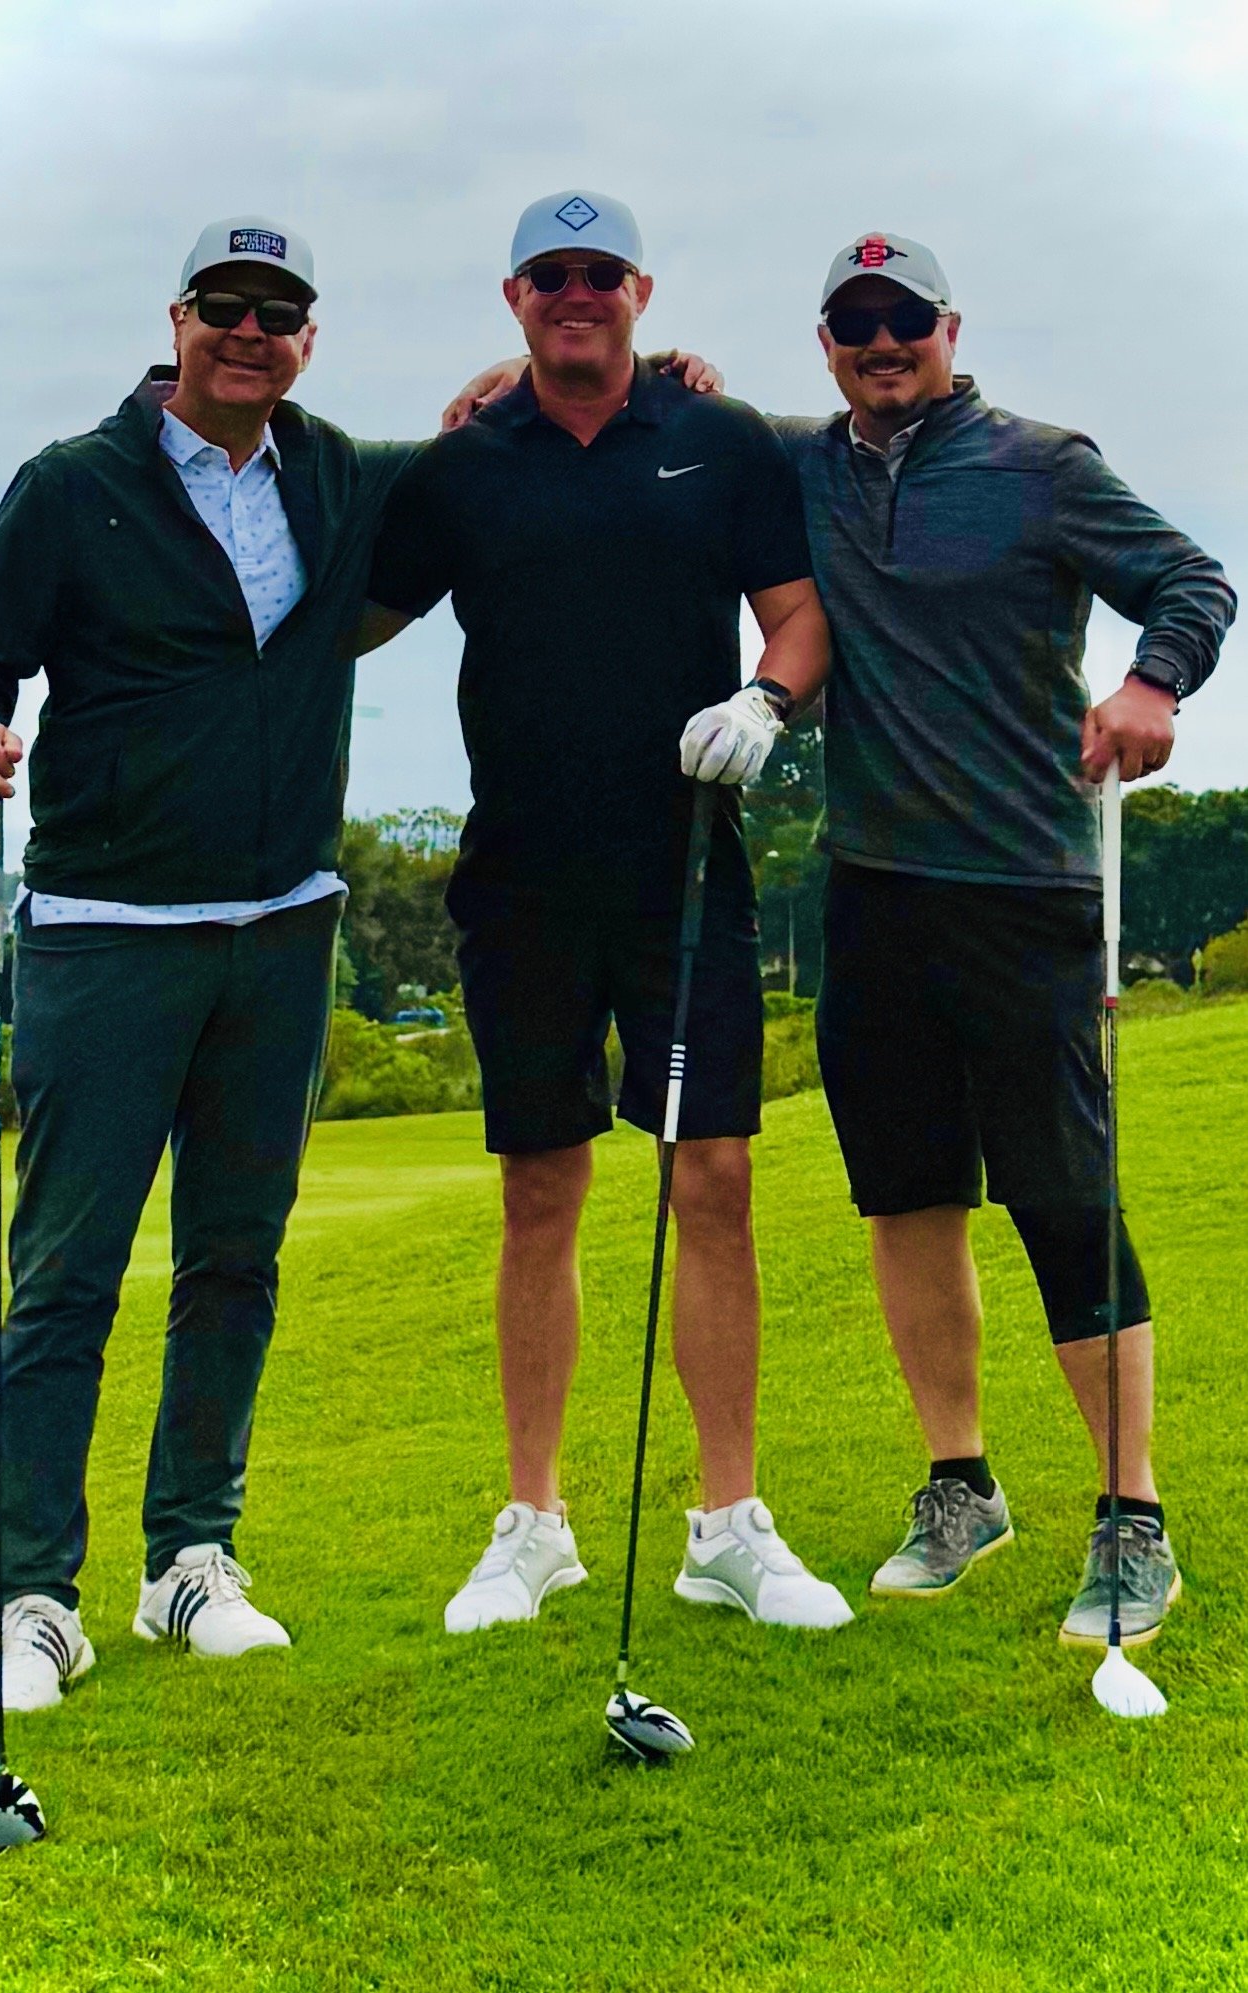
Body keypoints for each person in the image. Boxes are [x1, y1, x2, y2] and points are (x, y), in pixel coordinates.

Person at [672, 233, 1234, 1646]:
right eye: (856, 324)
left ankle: (1133, 1520)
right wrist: (620, 374)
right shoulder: (806, 461)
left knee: (1063, 1200)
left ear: (947, 325)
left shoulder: (1042, 463)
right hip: (875, 892)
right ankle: (960, 1483)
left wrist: (1152, 686)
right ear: (828, 342)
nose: (882, 342)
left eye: (903, 319)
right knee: (908, 1197)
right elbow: (663, 405)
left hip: (1029, 888)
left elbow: (1193, 582)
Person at [0, 216, 417, 1715]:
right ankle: (35, 1599)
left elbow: (488, 441)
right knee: (65, 1276)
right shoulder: (77, 487)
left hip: (283, 929)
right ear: (181, 319)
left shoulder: (333, 471)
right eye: (227, 306)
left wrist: (656, 373)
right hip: (107, 934)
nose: (250, 333)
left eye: (279, 313)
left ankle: (190, 1555)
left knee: (234, 1256)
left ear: (308, 338)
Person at [364, 190, 853, 1637]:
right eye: (549, 278)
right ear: (516, 296)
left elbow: (800, 612)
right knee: (540, 1189)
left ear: (641, 289)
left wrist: (769, 699)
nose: (576, 296)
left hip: (684, 876)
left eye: (600, 276)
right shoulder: (465, 463)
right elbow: (348, 620)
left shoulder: (717, 438)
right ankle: (534, 1521)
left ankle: (727, 1521)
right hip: (519, 881)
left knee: (713, 1178)